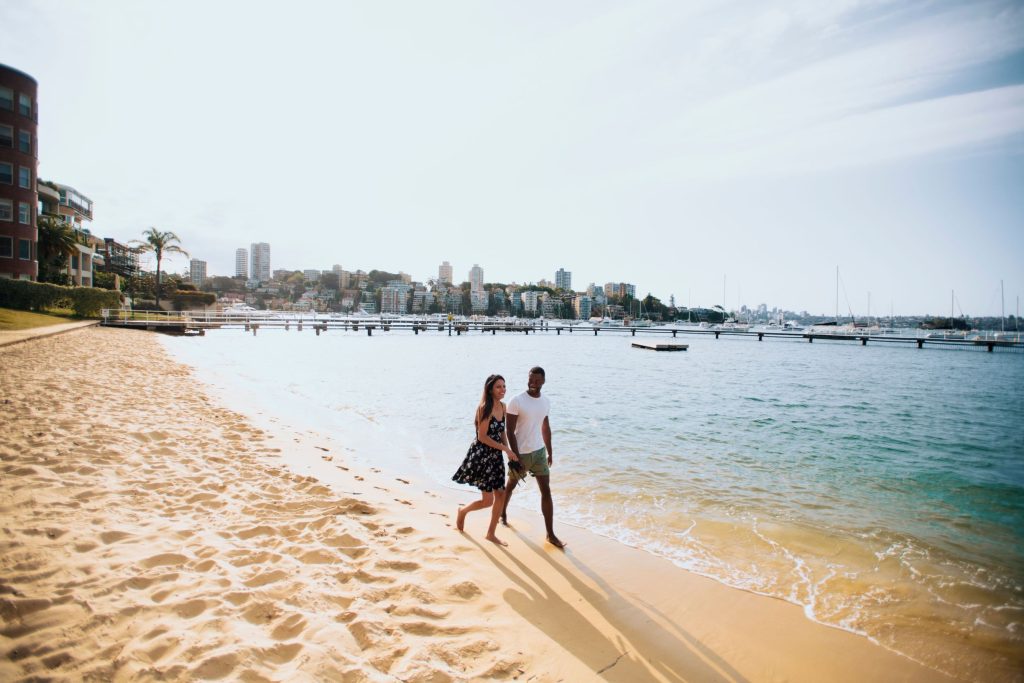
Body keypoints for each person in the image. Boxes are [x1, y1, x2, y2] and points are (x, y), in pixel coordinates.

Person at [501, 366, 565, 548]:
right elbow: (510, 431)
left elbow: (545, 427)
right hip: (521, 453)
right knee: (511, 486)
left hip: (539, 453)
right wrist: (515, 455)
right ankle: (503, 513)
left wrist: (550, 450)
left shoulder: (546, 402)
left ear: (543, 381)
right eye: (530, 379)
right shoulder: (517, 401)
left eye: (537, 380)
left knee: (546, 490)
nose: (533, 383)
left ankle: (550, 534)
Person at [452, 374, 520, 546]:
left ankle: (491, 533)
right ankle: (463, 511)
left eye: (504, 386)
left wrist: (508, 450)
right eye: (498, 387)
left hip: (496, 456)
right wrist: (504, 448)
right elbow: (482, 437)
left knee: (501, 494)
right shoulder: (484, 408)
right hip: (482, 456)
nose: (503, 390)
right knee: (487, 501)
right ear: (490, 389)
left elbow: (501, 432)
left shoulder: (504, 407)